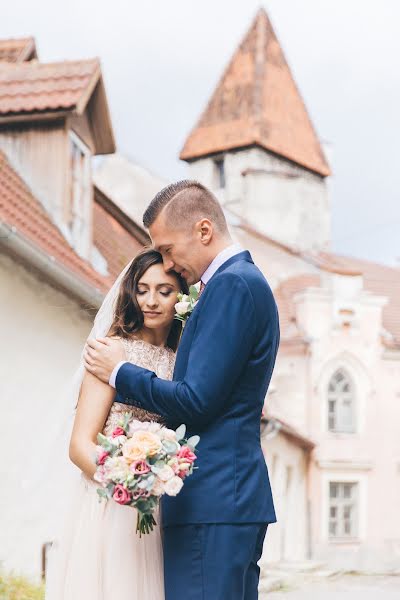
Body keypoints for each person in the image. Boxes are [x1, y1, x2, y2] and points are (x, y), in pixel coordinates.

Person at [85, 180, 280, 600]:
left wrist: (121, 372)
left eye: (169, 249)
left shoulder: (232, 285)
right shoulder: (238, 283)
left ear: (204, 231)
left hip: (212, 501)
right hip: (224, 500)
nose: (169, 264)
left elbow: (197, 400)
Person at [45, 248, 188, 600]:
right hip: (110, 503)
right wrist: (129, 482)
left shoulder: (184, 363)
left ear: (181, 298)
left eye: (164, 291)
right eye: (142, 289)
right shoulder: (108, 352)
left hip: (162, 508)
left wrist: (156, 481)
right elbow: (79, 445)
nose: (151, 301)